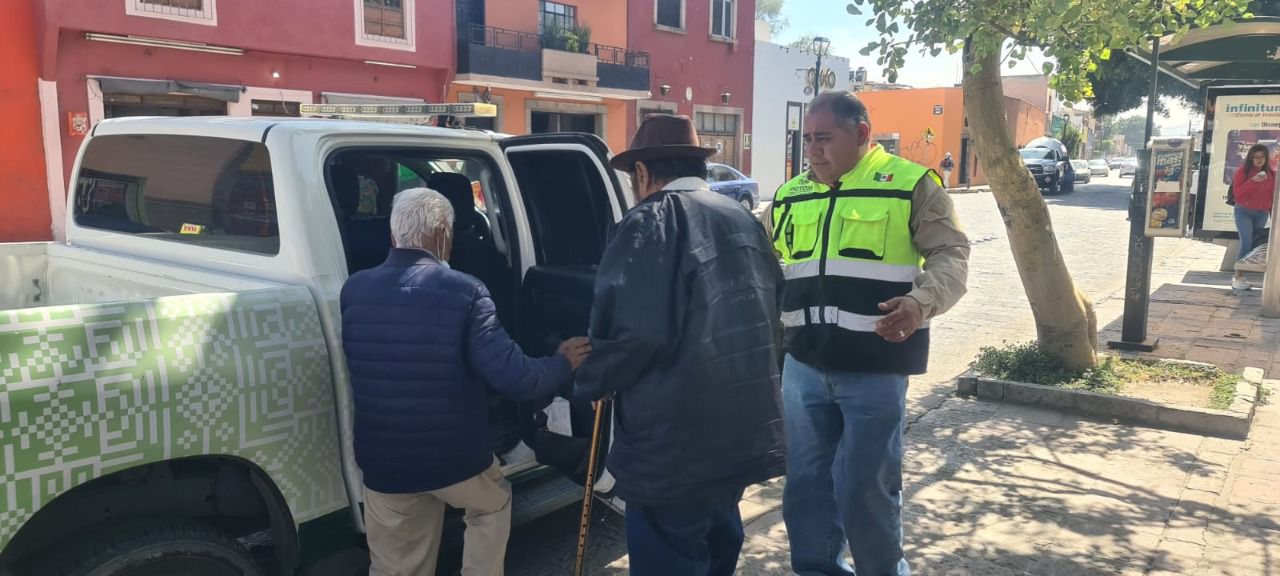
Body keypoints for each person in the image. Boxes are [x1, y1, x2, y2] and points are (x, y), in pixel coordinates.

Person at [573, 114, 786, 575]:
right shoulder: (742, 219)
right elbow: (772, 316)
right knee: (717, 544)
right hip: (740, 428)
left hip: (673, 443)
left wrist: (593, 381)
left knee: (671, 553)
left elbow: (633, 332)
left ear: (642, 172)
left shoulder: (647, 222)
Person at [341, 188, 591, 576]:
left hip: (383, 460)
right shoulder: (466, 291)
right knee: (492, 504)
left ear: (392, 236)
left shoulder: (353, 289)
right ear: (444, 235)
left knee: (396, 564)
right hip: (453, 457)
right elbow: (516, 378)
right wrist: (562, 362)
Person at [771, 91, 971, 576]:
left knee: (866, 489)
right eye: (807, 140)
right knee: (805, 488)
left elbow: (951, 254)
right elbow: (767, 264)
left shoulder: (911, 185)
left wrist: (920, 303)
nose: (812, 150)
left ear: (861, 134)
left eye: (823, 138)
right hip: (802, 368)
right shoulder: (791, 194)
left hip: (875, 369)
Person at [1230, 144, 1275, 290]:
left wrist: (1273, 214)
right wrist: (1253, 180)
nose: (1259, 159)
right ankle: (1237, 277)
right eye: (1255, 157)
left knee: (1255, 244)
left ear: (1266, 158)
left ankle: (1243, 274)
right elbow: (1238, 194)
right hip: (1244, 211)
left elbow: (1272, 196)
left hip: (1262, 213)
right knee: (1246, 243)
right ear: (1251, 158)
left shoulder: (1271, 173)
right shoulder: (1243, 172)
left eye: (1262, 157)